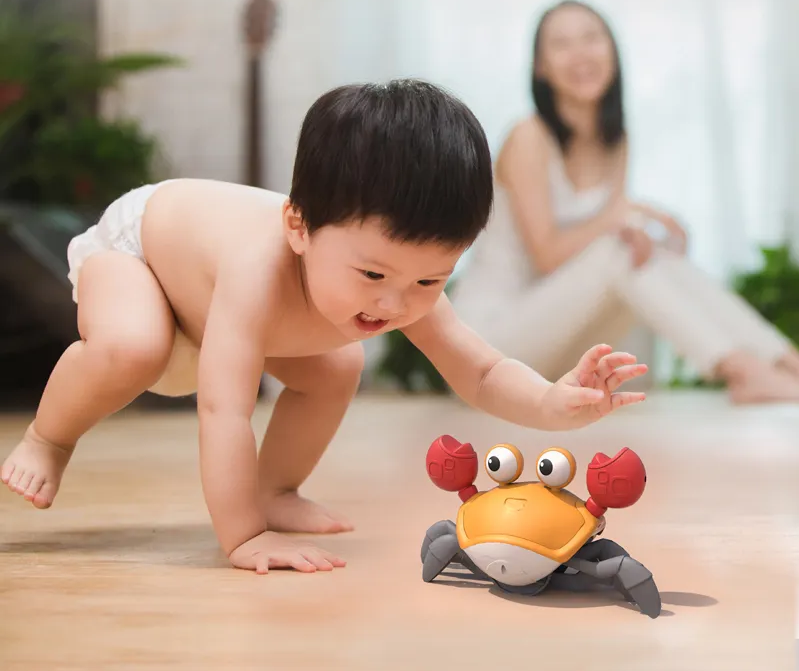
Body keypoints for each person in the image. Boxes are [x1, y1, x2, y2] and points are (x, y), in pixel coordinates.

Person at [0, 80, 647, 575]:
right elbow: (224, 408)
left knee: (339, 364)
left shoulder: (401, 283)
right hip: (139, 251)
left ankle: (276, 487)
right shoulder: (257, 268)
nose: (396, 303)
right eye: (372, 274)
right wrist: (243, 536)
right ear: (298, 227)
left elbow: (478, 370)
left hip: (210, 306)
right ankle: (48, 438)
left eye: (429, 280)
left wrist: (552, 402)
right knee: (133, 346)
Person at [450, 0, 799, 404]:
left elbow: (607, 240)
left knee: (642, 252)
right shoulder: (528, 136)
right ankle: (744, 371)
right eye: (562, 44)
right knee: (619, 249)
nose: (581, 54)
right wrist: (623, 216)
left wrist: (644, 234)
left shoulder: (615, 140)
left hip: (559, 351)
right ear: (540, 68)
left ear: (613, 51)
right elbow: (547, 255)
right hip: (491, 347)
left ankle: (788, 362)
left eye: (591, 39)